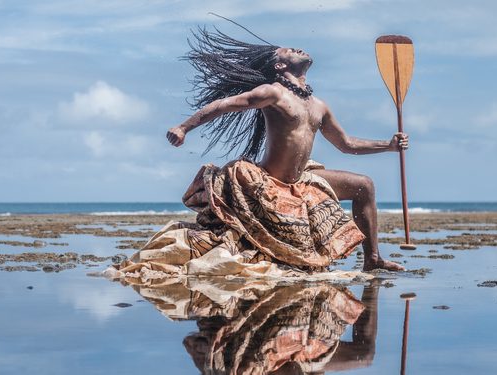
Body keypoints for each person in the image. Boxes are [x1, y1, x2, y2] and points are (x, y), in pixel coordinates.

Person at [165, 28, 407, 272]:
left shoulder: (318, 106)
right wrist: (184, 127)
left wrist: (388, 145)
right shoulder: (272, 93)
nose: (297, 48)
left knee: (364, 185)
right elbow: (224, 105)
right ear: (280, 66)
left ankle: (372, 258)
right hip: (269, 182)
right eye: (289, 50)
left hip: (300, 181)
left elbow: (346, 144)